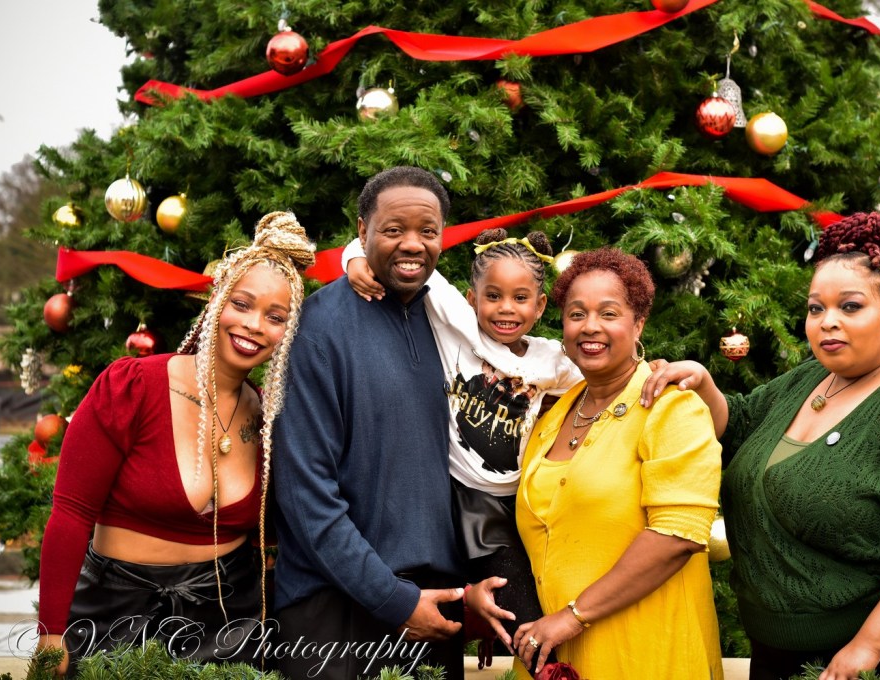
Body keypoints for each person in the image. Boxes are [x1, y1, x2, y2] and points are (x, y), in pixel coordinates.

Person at [644, 212, 880, 680]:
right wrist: (704, 383)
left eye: (850, 307)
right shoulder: (812, 378)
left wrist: (867, 646)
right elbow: (742, 427)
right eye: (815, 308)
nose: (828, 322)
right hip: (782, 647)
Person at [35, 211, 316, 676]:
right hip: (114, 617)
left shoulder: (270, 419)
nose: (254, 325)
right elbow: (70, 514)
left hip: (229, 623)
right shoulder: (131, 387)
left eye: (276, 317)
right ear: (216, 300)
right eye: (242, 304)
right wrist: (50, 634)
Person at [344, 227, 581, 669]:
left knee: (535, 596)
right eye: (493, 296)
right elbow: (382, 245)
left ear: (540, 305)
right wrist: (355, 262)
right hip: (456, 494)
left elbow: (611, 376)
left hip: (519, 501)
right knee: (508, 602)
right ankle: (550, 672)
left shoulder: (552, 360)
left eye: (520, 298)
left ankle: (548, 664)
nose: (506, 308)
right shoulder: (455, 324)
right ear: (472, 299)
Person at [271, 167, 467, 680]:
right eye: (393, 229)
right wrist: (392, 599)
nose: (413, 244)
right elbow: (305, 493)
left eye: (427, 231)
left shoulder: (451, 325)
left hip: (433, 605)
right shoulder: (317, 329)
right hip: (333, 610)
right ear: (362, 231)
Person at [505, 247, 725, 679]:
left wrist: (572, 616)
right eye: (576, 314)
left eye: (609, 313)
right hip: (555, 657)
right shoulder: (553, 415)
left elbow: (677, 536)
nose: (590, 326)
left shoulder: (671, 407)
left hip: (645, 654)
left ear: (638, 323)